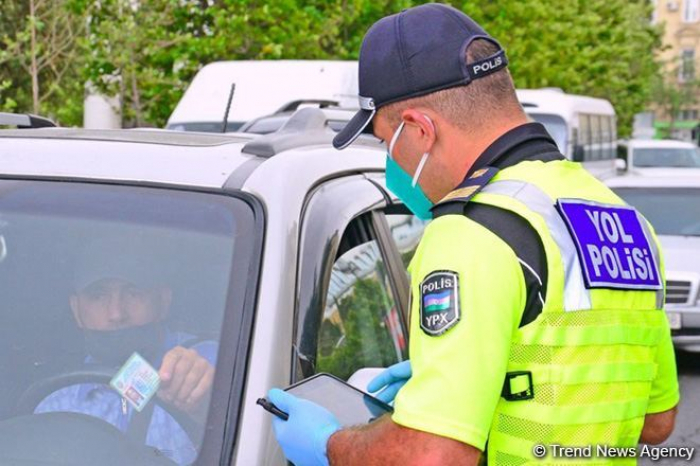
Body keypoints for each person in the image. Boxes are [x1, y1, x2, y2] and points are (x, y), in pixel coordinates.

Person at [267, 3, 680, 465]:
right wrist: (501, 386)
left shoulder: (471, 231)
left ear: (419, 129)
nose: (390, 162)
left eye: (386, 142)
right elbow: (656, 420)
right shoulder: (626, 222)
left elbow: (434, 456)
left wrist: (331, 444)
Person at [35, 237, 216, 465]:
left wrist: (202, 400)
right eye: (98, 295)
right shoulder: (55, 404)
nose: (116, 313)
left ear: (163, 301)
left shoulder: (206, 362)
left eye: (133, 292)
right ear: (76, 309)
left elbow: (234, 416)